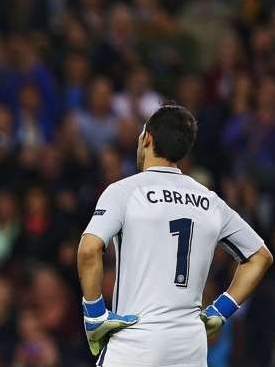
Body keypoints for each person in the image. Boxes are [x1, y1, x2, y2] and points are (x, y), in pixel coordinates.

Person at [77, 103, 273, 367]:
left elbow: (89, 250)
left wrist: (95, 315)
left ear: (147, 138)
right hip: (189, 349)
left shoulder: (124, 191)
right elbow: (260, 256)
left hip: (135, 346)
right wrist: (221, 310)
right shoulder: (210, 201)